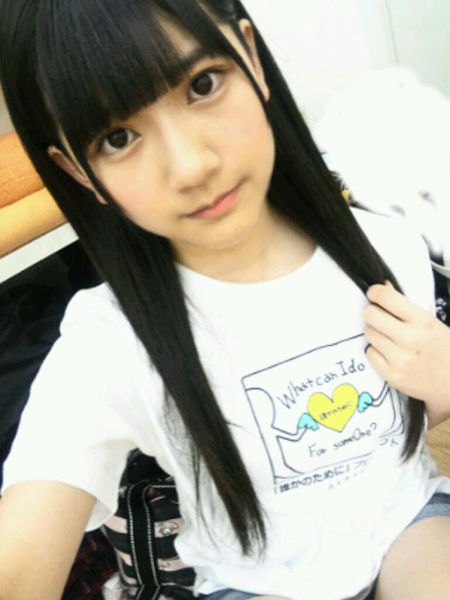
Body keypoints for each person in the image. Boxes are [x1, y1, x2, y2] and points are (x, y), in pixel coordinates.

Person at [0, 1, 449, 599]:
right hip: (256, 581)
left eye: (202, 85)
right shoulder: (109, 342)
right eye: (118, 138)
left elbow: (394, 433)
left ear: (251, 59)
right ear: (80, 173)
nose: (191, 166)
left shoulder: (387, 249)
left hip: (408, 522)